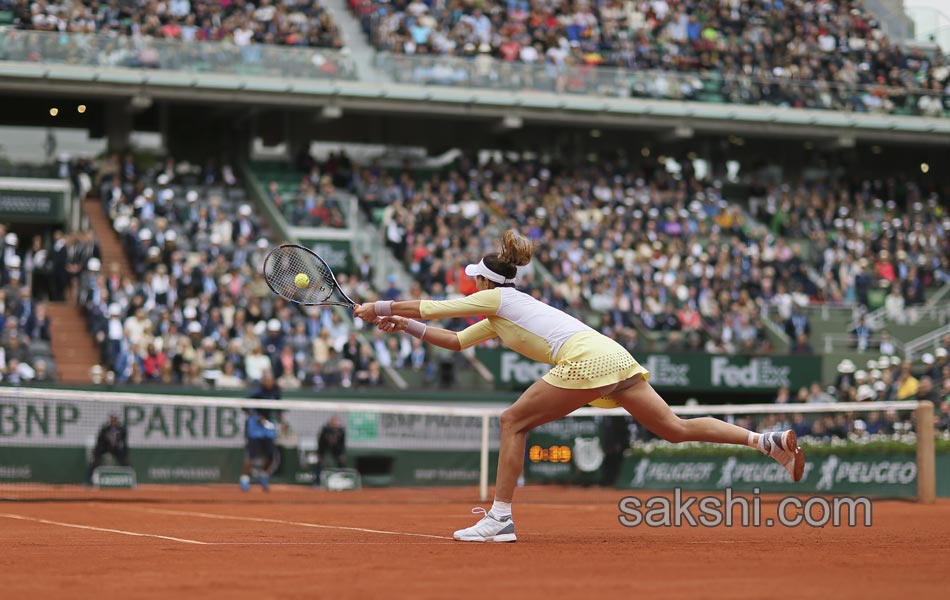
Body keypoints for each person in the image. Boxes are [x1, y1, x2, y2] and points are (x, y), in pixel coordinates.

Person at [354, 229, 805, 543]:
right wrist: (403, 324)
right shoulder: (501, 312)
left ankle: (500, 518)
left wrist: (379, 305)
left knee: (512, 421)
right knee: (674, 427)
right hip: (612, 355)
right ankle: (765, 441)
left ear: (486, 282)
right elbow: (453, 340)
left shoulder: (496, 298)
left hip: (586, 360)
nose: (473, 282)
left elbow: (435, 308)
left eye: (476, 277)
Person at [85, 411, 130, 485]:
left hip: (115, 448)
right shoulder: (105, 428)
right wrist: (95, 452)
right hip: (104, 447)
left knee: (126, 462)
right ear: (110, 419)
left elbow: (124, 442)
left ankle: (129, 480)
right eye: (112, 418)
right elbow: (99, 441)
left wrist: (125, 454)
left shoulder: (122, 429)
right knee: (93, 462)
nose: (113, 420)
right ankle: (87, 481)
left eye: (115, 419)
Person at [240, 408, 278, 492]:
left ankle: (263, 475)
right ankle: (244, 480)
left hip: (269, 432)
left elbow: (279, 410)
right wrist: (257, 417)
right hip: (254, 432)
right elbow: (244, 408)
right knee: (250, 457)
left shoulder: (276, 395)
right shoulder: (256, 394)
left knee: (270, 457)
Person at [313, 416, 346, 485]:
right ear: (330, 423)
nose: (335, 424)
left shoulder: (341, 431)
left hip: (336, 448)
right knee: (319, 463)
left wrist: (341, 454)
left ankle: (342, 480)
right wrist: (319, 453)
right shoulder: (325, 430)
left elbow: (342, 443)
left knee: (341, 463)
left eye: (337, 423)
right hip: (324, 447)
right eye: (334, 423)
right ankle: (317, 482)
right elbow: (320, 442)